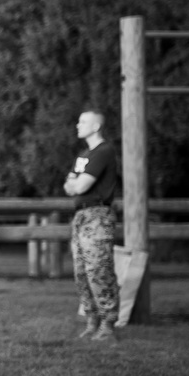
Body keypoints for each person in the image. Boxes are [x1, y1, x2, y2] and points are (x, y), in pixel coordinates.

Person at [64, 109, 120, 343]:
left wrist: (76, 183)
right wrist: (75, 183)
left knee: (99, 269)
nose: (78, 125)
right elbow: (69, 186)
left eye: (83, 121)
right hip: (80, 217)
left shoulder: (104, 151)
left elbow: (80, 186)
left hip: (98, 216)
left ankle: (108, 323)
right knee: (81, 272)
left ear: (96, 126)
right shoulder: (83, 155)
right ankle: (91, 321)